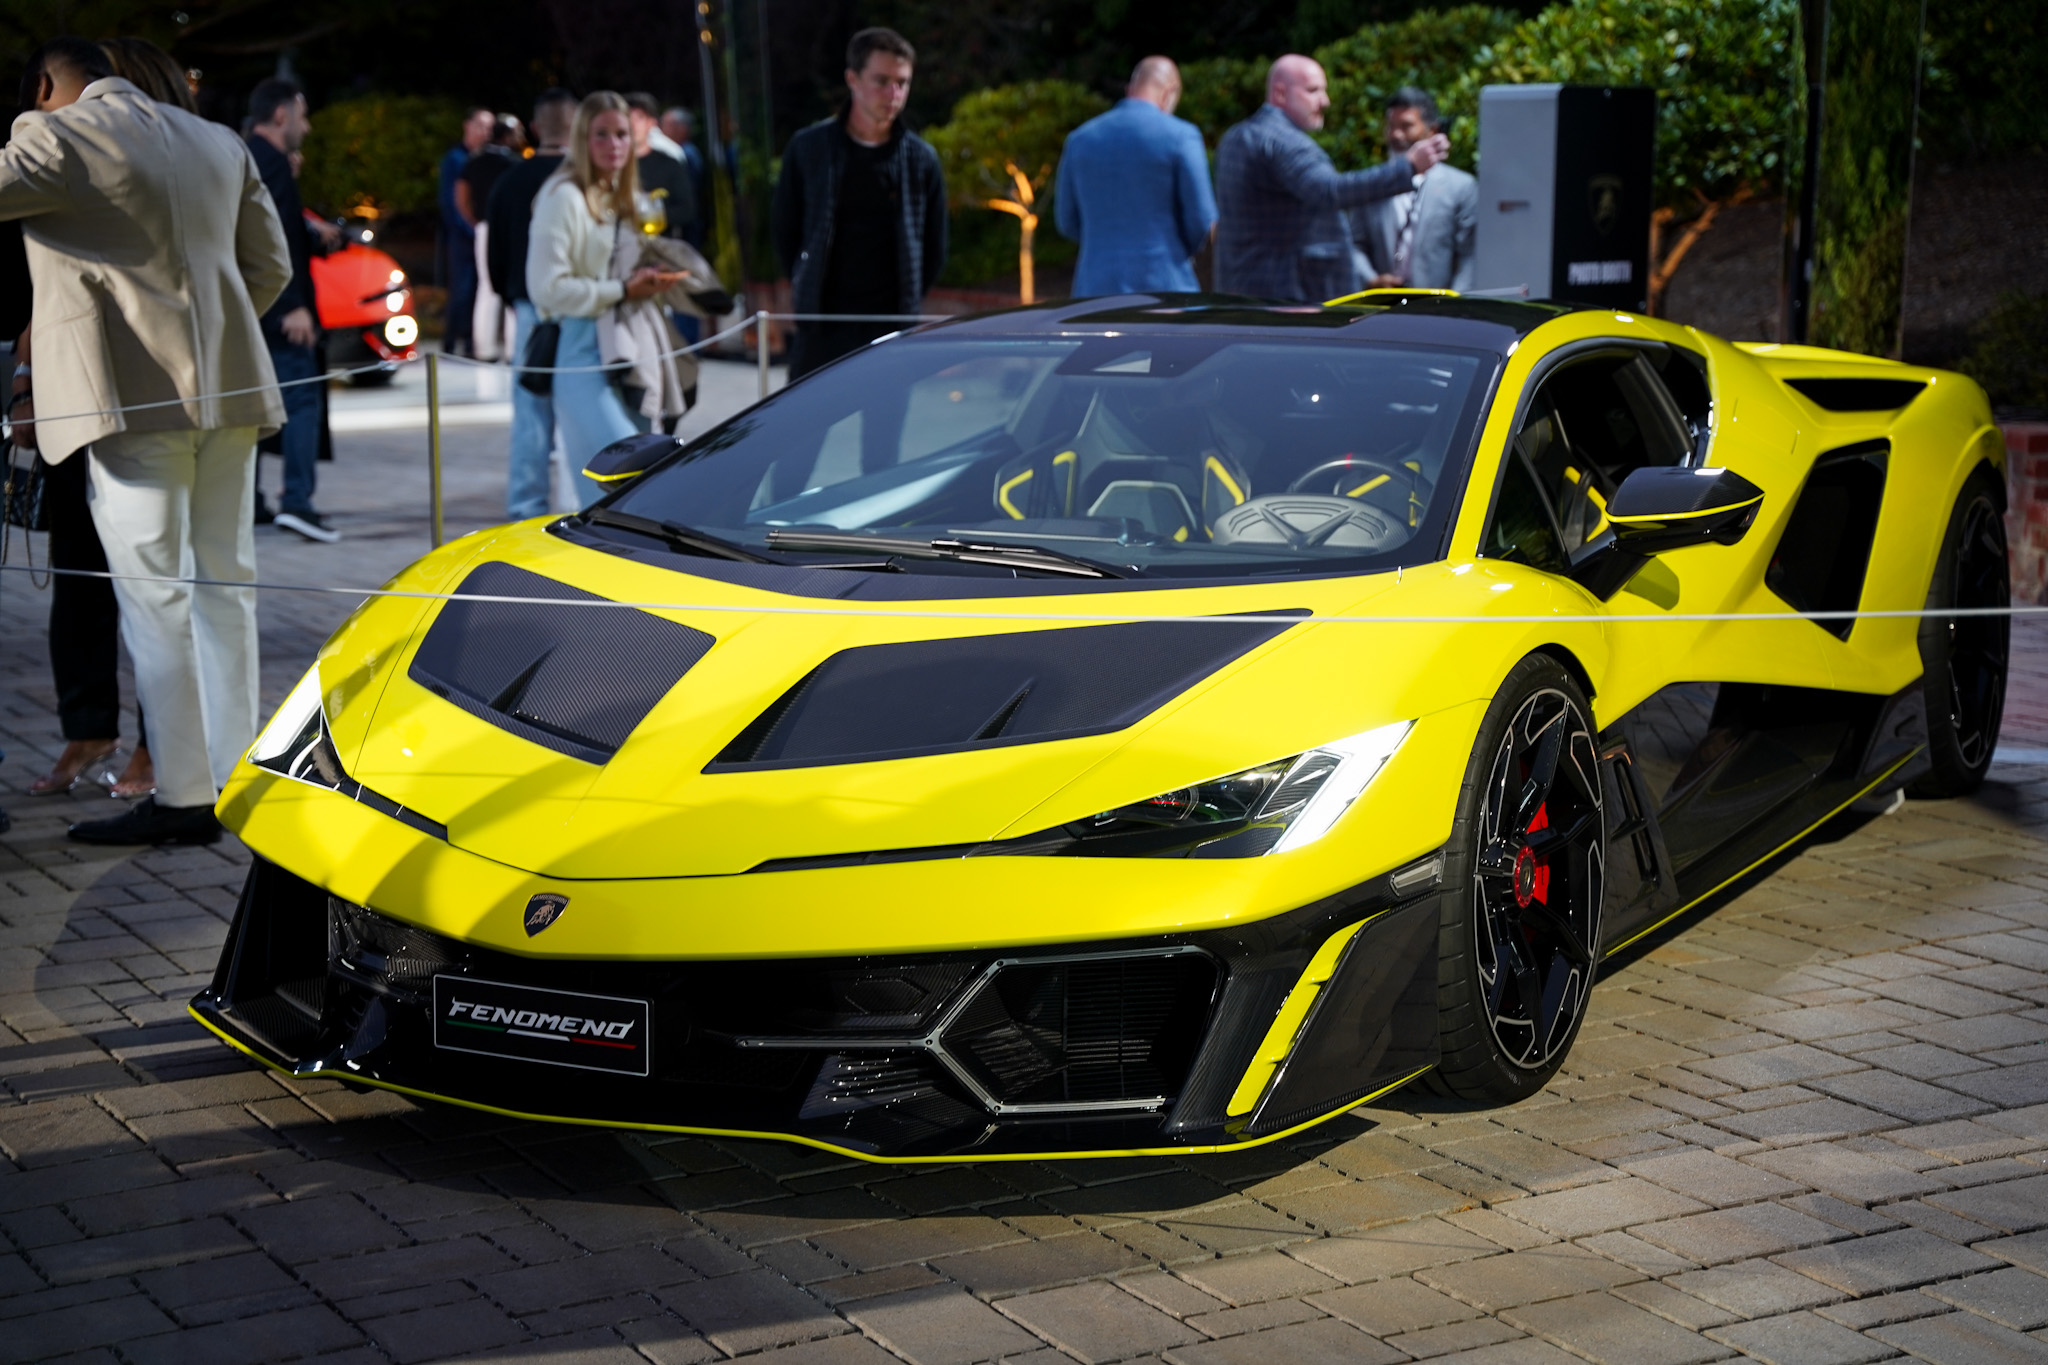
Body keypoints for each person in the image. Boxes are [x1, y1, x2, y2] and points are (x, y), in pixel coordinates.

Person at [0, 37, 291, 845]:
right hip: (232, 390)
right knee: (226, 588)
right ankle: (236, 778)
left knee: (154, 594)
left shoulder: (54, 136)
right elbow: (267, 268)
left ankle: (186, 796)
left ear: (51, 85)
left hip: (132, 403)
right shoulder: (217, 139)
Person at [11, 36, 195, 800]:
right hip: (74, 393)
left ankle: (166, 751)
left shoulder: (138, 153)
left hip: (142, 398)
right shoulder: (77, 160)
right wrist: (26, 379)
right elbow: (46, 283)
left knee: (150, 581)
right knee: (82, 573)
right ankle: (92, 730)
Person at [525, 92, 677, 503]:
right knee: (619, 480)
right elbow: (545, 288)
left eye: (622, 134)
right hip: (578, 348)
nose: (614, 145)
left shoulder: (615, 194)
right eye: (601, 135)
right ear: (580, 139)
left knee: (641, 475)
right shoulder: (563, 196)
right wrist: (623, 289)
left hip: (625, 344)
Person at [773, 28, 946, 381]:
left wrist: (909, 300)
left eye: (902, 82)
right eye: (881, 81)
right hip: (823, 321)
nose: (893, 94)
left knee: (885, 434)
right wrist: (804, 287)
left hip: (891, 323)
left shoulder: (920, 159)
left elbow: (934, 245)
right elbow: (785, 230)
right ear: (852, 79)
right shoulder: (810, 148)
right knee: (804, 430)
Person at [1214, 54, 1448, 303]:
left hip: (1240, 289)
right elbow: (1330, 191)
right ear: (1280, 94)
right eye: (1313, 91)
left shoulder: (1235, 137)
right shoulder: (1284, 142)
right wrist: (1409, 167)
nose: (1325, 101)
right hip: (1288, 300)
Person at [246, 77, 340, 543]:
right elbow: (274, 238)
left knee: (252, 406)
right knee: (302, 400)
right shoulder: (274, 164)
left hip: (248, 310)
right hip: (281, 310)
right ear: (281, 116)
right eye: (301, 116)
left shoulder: (243, 157)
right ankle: (298, 502)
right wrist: (294, 306)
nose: (306, 126)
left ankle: (251, 502)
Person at [1054, 56, 1215, 297]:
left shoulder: (1079, 139)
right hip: (1165, 288)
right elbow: (1202, 219)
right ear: (1168, 93)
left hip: (1094, 291)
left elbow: (1066, 221)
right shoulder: (1181, 136)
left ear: (1131, 89)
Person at [487, 88, 574, 521]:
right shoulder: (582, 179)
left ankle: (525, 511)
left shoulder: (510, 180)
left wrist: (512, 297)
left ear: (536, 126)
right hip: (582, 311)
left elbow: (495, 255)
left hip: (528, 310)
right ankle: (585, 516)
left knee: (530, 419)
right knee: (582, 415)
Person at [1354, 87, 1477, 292]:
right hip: (1380, 306)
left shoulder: (1460, 187)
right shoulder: (1372, 183)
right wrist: (1370, 279)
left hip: (1437, 309)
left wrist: (1455, 304)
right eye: (1390, 126)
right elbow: (1354, 243)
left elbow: (1469, 255)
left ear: (1432, 131)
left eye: (1406, 126)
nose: (1395, 134)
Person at [459, 114, 523, 361]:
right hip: (510, 229)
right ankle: (512, 349)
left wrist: (473, 221)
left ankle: (484, 348)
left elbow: (461, 196)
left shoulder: (475, 161)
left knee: (487, 288)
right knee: (511, 286)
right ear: (507, 136)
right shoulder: (514, 163)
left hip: (484, 229)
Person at [437, 106, 493, 357]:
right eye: (480, 125)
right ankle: (451, 341)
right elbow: (451, 203)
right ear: (467, 126)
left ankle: (471, 342)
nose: (485, 132)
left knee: (478, 292)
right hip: (463, 237)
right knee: (461, 289)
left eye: (489, 127)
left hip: (480, 235)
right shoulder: (456, 159)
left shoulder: (486, 159)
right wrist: (469, 230)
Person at [625, 92, 698, 245]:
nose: (632, 124)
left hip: (661, 246)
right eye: (627, 117)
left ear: (651, 122)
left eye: (639, 117)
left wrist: (652, 214)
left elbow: (687, 210)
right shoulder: (612, 164)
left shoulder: (670, 162)